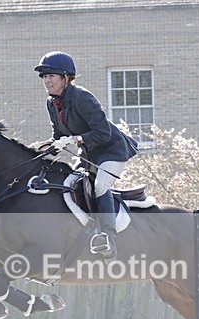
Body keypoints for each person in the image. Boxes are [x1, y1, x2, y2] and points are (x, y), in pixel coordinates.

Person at [33, 51, 138, 261]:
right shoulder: (52, 103)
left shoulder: (82, 97)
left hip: (111, 150)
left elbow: (103, 133)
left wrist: (74, 140)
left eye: (51, 76)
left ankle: (108, 238)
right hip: (88, 153)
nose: (47, 81)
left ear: (65, 77)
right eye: (44, 77)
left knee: (100, 185)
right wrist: (42, 147)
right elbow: (59, 135)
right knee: (73, 184)